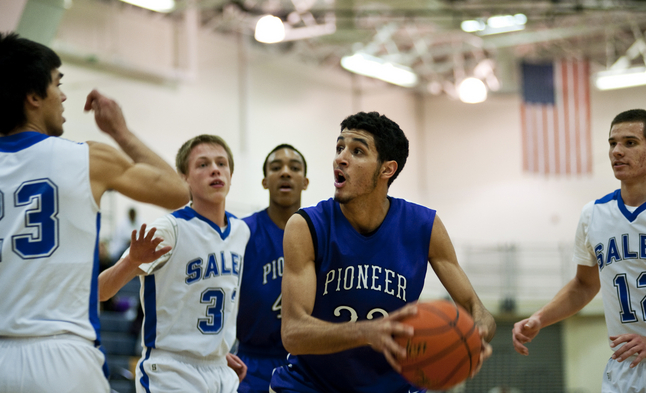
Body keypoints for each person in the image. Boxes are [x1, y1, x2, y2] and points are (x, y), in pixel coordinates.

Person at [0, 33, 189, 393]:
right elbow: (177, 191)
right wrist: (120, 131)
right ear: (34, 96)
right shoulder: (87, 158)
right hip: (62, 356)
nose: (64, 95)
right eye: (58, 83)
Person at [269, 111, 496, 393]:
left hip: (394, 385)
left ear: (387, 169)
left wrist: (473, 336)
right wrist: (367, 332)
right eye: (340, 148)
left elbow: (478, 310)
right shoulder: (307, 226)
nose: (341, 158)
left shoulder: (424, 225)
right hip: (312, 384)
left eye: (357, 151)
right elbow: (293, 334)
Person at [99, 134, 249, 393]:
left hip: (220, 371)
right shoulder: (169, 228)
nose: (214, 169)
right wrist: (132, 261)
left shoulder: (241, 231)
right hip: (171, 371)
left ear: (231, 174)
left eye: (221, 163)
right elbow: (100, 291)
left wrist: (215, 353)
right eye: (202, 164)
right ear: (184, 177)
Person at [512, 109, 646, 393]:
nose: (617, 152)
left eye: (630, 143)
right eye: (612, 143)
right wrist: (540, 318)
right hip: (625, 368)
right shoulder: (593, 214)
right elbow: (584, 285)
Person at [236, 144, 309, 393]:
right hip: (250, 361)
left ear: (305, 181)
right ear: (265, 181)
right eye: (276, 168)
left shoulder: (320, 233)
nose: (285, 173)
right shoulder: (242, 232)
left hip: (305, 362)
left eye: (294, 168)